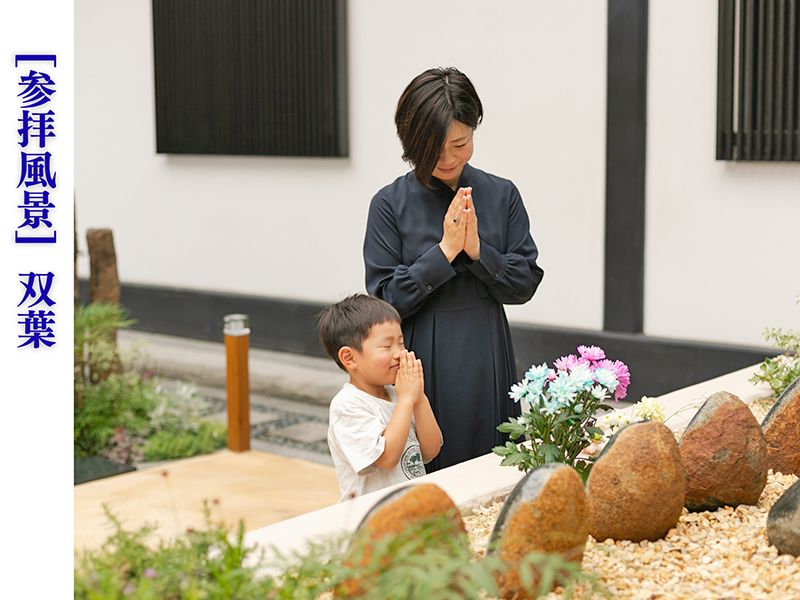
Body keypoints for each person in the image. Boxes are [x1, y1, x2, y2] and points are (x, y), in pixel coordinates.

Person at [363, 67, 544, 472]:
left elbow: (525, 283)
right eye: (435, 148)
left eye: (460, 144)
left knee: (492, 462)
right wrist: (444, 251)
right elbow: (384, 300)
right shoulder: (389, 204)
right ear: (412, 143)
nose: (449, 158)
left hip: (487, 349)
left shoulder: (501, 194)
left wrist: (480, 252)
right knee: (428, 467)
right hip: (421, 357)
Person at [317, 294, 443, 501]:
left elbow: (431, 449)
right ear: (349, 357)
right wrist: (406, 400)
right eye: (387, 346)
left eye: (401, 343)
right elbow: (386, 458)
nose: (399, 353)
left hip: (412, 505)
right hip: (373, 516)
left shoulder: (398, 394)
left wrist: (419, 398)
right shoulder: (347, 405)